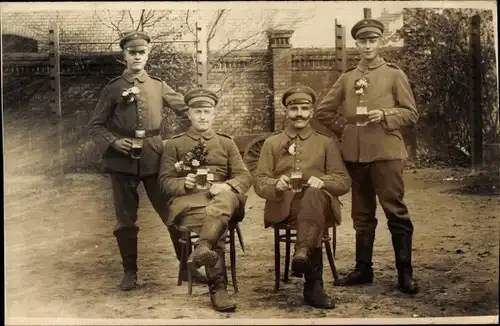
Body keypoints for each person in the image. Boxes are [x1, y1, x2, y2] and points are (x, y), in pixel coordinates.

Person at [88, 31, 206, 291]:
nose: (137, 56)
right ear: (125, 55)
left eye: (142, 52)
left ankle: (187, 268)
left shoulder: (158, 85)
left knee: (172, 212)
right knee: (126, 220)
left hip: (154, 157)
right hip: (122, 161)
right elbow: (96, 126)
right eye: (132, 52)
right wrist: (115, 142)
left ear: (148, 54)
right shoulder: (113, 88)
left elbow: (187, 112)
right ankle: (130, 272)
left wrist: (186, 136)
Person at [314, 18, 420, 294]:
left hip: (386, 153)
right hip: (355, 156)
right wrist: (345, 129)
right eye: (362, 41)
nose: (367, 45)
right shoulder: (347, 77)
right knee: (361, 215)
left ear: (379, 42)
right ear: (357, 44)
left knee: (395, 211)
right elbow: (323, 112)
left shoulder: (394, 74)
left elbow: (411, 113)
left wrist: (386, 115)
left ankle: (405, 272)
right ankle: (363, 269)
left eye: (372, 40)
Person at [254, 85, 351, 309]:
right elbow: (259, 182)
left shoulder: (326, 142)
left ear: (312, 112)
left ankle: (305, 261)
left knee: (314, 197)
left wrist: (324, 181)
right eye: (294, 108)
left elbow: (343, 180)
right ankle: (312, 283)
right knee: (311, 213)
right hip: (285, 208)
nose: (299, 113)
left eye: (304, 108)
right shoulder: (272, 143)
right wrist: (276, 184)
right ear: (286, 112)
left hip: (320, 205)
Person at [158, 88, 252, 312]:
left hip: (223, 200)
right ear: (188, 114)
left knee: (224, 201)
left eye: (207, 111)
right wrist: (183, 183)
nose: (202, 116)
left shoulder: (226, 143)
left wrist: (227, 184)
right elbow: (163, 182)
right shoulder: (175, 144)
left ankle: (201, 248)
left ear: (214, 114)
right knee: (214, 224)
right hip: (191, 205)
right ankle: (219, 287)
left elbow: (244, 176)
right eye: (197, 111)